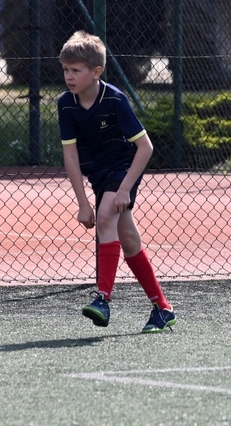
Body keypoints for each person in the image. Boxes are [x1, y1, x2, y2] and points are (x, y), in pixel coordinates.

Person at [57, 31, 176, 332]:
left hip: (123, 169)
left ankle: (102, 299)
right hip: (98, 175)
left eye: (76, 70)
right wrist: (83, 203)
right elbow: (70, 156)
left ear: (96, 72)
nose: (69, 76)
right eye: (66, 70)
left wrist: (124, 188)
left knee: (107, 217)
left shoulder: (115, 100)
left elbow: (145, 147)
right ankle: (162, 308)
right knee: (129, 237)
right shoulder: (65, 104)